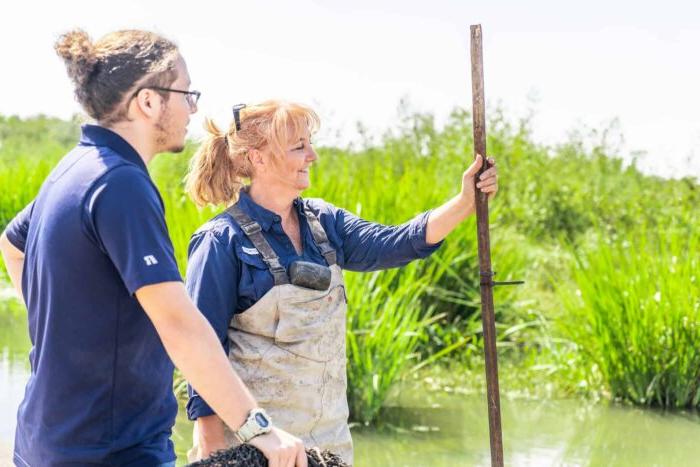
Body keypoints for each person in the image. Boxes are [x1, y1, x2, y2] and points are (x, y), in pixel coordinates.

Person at [0, 31, 306, 467]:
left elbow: (12, 246)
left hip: (45, 441)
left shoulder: (73, 168)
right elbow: (179, 324)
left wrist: (63, 339)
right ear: (148, 102)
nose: (193, 107)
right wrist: (260, 429)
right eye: (186, 92)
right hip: (110, 452)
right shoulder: (121, 183)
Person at [183, 100, 499, 463]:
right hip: (255, 448)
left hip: (330, 446)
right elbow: (200, 348)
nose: (313, 155)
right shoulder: (221, 241)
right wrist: (209, 440)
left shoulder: (325, 222)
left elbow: (394, 243)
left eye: (310, 143)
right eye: (299, 146)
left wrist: (464, 202)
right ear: (258, 158)